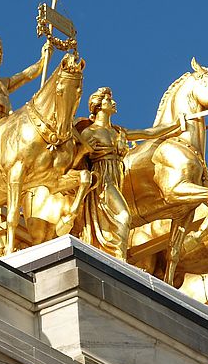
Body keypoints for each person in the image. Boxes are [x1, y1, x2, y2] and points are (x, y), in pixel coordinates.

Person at [75, 87, 184, 260]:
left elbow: (148, 133)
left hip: (117, 177)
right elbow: (75, 161)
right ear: (99, 105)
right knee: (124, 217)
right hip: (102, 179)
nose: (113, 102)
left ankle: (115, 257)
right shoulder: (90, 132)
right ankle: (119, 258)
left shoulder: (118, 132)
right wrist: (83, 150)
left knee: (120, 219)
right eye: (109, 100)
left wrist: (175, 126)